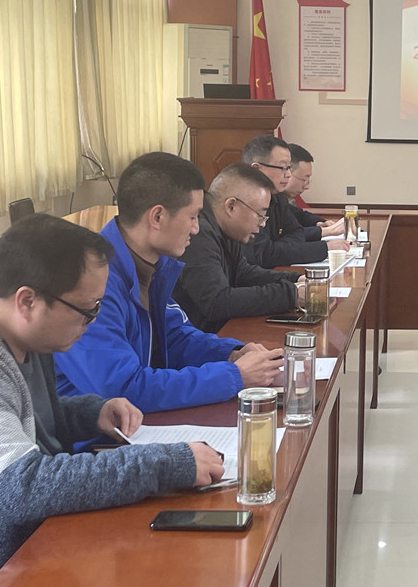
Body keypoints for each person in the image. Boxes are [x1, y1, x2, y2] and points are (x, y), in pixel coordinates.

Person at [0, 215, 224, 587]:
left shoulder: (21, 336)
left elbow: (21, 420)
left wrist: (89, 413)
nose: (91, 323)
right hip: (0, 578)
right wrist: (168, 462)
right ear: (27, 301)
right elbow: (19, 487)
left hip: (41, 539)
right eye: (86, 309)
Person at [54, 152, 283, 413]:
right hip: (92, 430)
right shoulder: (91, 282)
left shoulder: (153, 263)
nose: (196, 229)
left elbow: (174, 337)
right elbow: (122, 388)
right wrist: (233, 376)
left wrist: (232, 354)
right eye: (193, 217)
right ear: (157, 217)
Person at [173, 164, 304, 334]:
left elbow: (243, 273)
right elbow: (217, 303)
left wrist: (297, 279)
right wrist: (291, 295)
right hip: (194, 339)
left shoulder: (225, 228)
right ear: (231, 207)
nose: (263, 223)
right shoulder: (198, 233)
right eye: (260, 215)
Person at [242, 135, 336, 268]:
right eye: (283, 168)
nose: (288, 174)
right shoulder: (243, 203)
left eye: (289, 168)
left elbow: (297, 232)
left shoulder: (278, 196)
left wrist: (278, 246)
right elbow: (264, 255)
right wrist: (323, 248)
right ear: (257, 169)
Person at [284, 143, 345, 242]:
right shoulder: (265, 200)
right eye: (304, 179)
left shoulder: (280, 199)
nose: (307, 186)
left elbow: (299, 214)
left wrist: (320, 223)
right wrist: (329, 231)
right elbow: (288, 235)